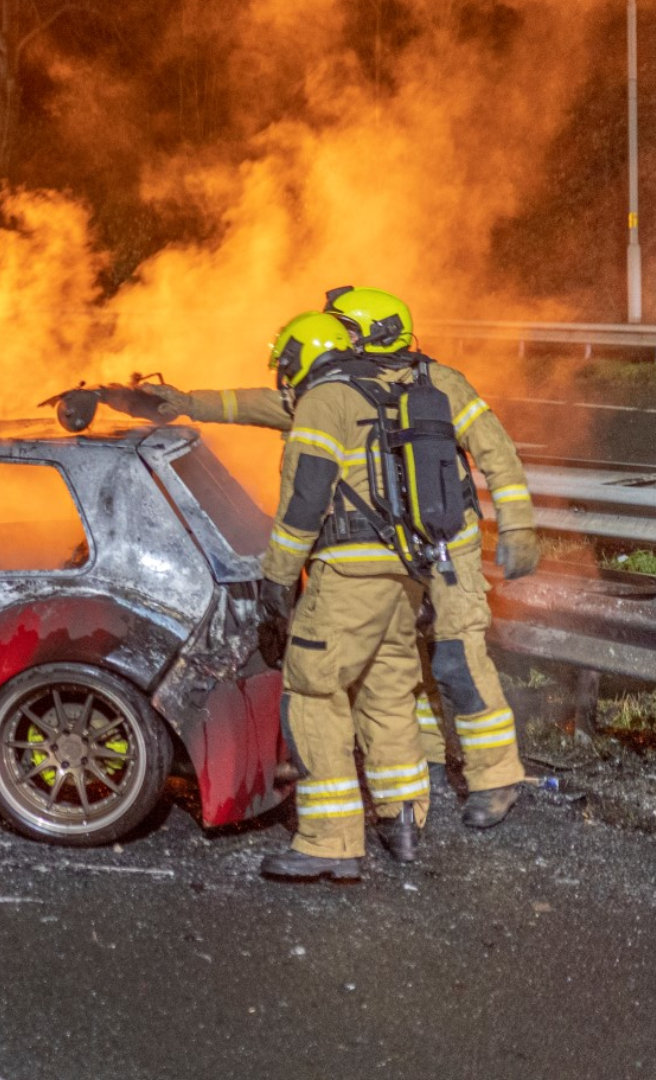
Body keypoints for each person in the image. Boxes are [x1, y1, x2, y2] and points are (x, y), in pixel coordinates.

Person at [129, 287, 537, 830]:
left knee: (457, 661)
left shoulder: (441, 384)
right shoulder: (343, 391)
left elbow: (496, 451)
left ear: (372, 332)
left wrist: (518, 525)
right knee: (398, 665)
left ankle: (495, 777)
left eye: (344, 327)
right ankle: (426, 766)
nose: (337, 337)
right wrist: (189, 404)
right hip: (390, 554)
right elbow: (270, 405)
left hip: (447, 549)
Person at [255, 311, 431, 882]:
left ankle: (330, 843)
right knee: (385, 695)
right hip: (403, 574)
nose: (286, 377)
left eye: (287, 363)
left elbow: (306, 498)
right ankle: (404, 821)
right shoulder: (385, 390)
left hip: (347, 574)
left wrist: (278, 575)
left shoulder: (322, 402)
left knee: (313, 691)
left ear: (308, 353)